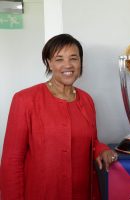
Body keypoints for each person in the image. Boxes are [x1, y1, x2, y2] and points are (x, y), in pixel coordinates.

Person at [1, 34, 118, 200]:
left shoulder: (87, 100)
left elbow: (91, 142)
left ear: (80, 62)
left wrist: (103, 150)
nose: (67, 65)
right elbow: (12, 160)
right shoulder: (25, 99)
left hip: (82, 193)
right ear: (49, 63)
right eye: (59, 59)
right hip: (41, 193)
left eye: (73, 58)